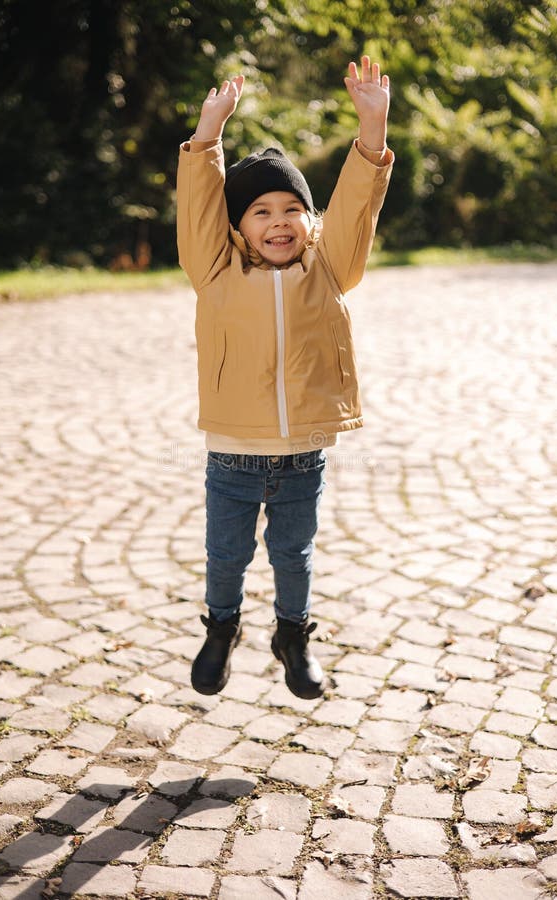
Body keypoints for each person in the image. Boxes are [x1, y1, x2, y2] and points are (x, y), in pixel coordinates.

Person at [177, 55, 393, 699]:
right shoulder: (214, 270)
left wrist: (372, 131)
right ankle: (221, 629)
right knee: (226, 557)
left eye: (290, 209)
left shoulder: (329, 269)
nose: (277, 222)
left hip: (303, 456)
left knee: (293, 557)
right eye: (260, 212)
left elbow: (355, 208)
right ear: (237, 227)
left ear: (308, 220)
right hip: (233, 456)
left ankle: (292, 635)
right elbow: (198, 209)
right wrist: (209, 134)